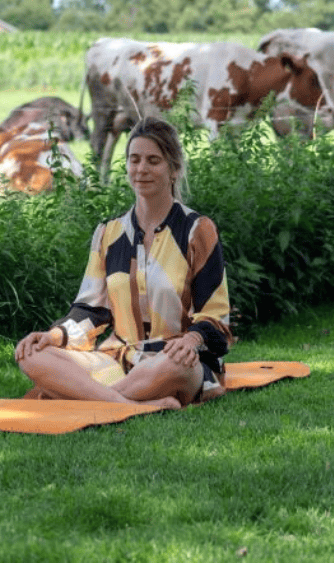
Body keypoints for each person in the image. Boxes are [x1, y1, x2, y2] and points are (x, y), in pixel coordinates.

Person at [14, 116, 232, 409]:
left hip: (175, 361)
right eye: (134, 159)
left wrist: (191, 341)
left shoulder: (197, 230)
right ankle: (133, 405)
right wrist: (54, 336)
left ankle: (82, 394)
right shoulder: (108, 233)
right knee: (31, 353)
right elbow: (91, 311)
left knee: (173, 366)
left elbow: (216, 318)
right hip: (118, 361)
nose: (141, 169)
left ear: (174, 169)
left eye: (153, 161)